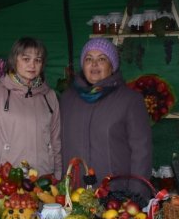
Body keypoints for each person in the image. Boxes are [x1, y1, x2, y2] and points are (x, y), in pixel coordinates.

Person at [60, 37, 153, 180]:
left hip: (115, 193)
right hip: (74, 194)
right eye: (88, 59)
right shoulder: (67, 100)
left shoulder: (130, 100)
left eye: (102, 59)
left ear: (112, 66)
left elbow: (142, 152)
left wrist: (136, 195)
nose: (94, 65)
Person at [0, 36, 61, 176]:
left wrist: (57, 176)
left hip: (44, 178)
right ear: (14, 60)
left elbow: (55, 140)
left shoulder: (49, 96)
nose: (32, 65)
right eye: (26, 59)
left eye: (37, 60)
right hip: (8, 181)